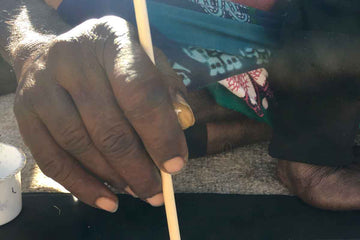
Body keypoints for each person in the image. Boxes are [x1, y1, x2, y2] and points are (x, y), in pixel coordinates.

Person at [1, 0, 360, 211]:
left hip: (319, 33)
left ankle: (248, 118)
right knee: (121, 105)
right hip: (106, 30)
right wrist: (33, 46)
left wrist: (316, 135)